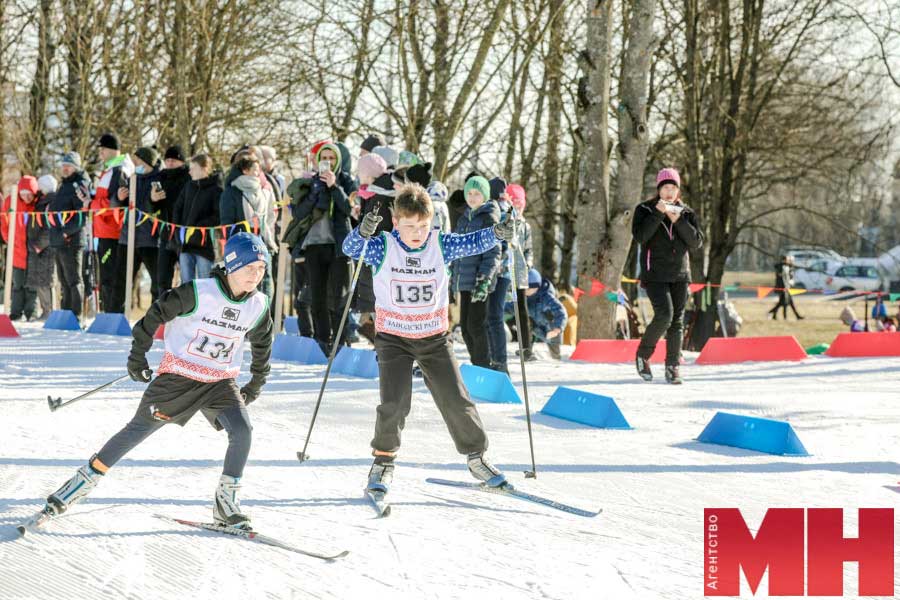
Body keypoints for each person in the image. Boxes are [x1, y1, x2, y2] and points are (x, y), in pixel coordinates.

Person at [29, 233, 273, 531]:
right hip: (178, 379)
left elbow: (263, 346)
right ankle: (76, 486)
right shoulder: (199, 292)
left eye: (261, 269)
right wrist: (137, 358)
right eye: (250, 268)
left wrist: (255, 385)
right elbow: (153, 316)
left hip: (219, 382)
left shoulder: (258, 304)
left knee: (243, 430)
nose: (256, 275)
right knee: (136, 431)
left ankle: (226, 505)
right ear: (233, 265)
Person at [342, 183, 517, 497]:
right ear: (396, 223)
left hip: (433, 337)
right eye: (409, 226)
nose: (417, 232)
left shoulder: (441, 244)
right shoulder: (383, 245)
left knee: (456, 399)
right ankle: (383, 462)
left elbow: (473, 241)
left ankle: (477, 458)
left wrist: (498, 233)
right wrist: (362, 231)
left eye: (423, 226)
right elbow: (350, 249)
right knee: (394, 403)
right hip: (393, 338)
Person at [631, 167, 703, 384]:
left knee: (677, 322)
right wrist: (659, 213)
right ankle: (643, 355)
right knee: (665, 315)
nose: (669, 192)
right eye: (665, 187)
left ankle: (673, 367)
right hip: (655, 274)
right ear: (659, 189)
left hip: (680, 274)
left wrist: (678, 220)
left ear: (678, 190)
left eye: (673, 188)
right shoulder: (644, 209)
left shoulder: (687, 212)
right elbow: (641, 236)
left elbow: (696, 242)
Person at [294, 142, 355, 353]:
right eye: (324, 158)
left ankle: (340, 342)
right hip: (314, 245)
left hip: (338, 245)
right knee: (317, 296)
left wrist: (334, 186)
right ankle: (322, 341)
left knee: (338, 296)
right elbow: (299, 213)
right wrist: (313, 194)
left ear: (337, 160)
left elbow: (349, 209)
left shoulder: (346, 180)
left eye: (332, 158)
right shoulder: (309, 181)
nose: (328, 162)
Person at [451, 176, 501, 368]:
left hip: (479, 282)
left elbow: (494, 252)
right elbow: (457, 249)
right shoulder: (464, 219)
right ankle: (478, 364)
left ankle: (484, 366)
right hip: (464, 280)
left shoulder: (488, 218)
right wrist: (453, 277)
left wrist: (484, 279)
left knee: (476, 326)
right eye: (469, 194)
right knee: (464, 329)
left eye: (477, 194)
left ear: (485, 196)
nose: (472, 197)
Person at [89, 132, 134, 313]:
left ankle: (112, 312)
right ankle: (108, 312)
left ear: (111, 150)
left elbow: (114, 204)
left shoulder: (119, 170)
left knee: (111, 275)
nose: (100, 153)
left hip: (112, 231)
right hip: (103, 230)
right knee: (106, 275)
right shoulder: (110, 169)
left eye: (102, 149)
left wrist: (91, 204)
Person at [120, 146, 163, 304]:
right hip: (128, 237)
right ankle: (122, 313)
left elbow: (152, 209)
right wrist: (119, 198)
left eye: (138, 161)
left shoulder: (158, 180)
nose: (135, 164)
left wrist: (152, 200)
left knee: (156, 281)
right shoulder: (132, 179)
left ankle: (155, 317)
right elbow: (123, 205)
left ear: (147, 162)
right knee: (123, 280)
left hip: (150, 239)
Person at [50, 153, 91, 319]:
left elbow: (82, 216)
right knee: (64, 281)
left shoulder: (80, 185)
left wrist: (67, 232)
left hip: (71, 240)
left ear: (76, 167)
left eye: (69, 165)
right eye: (64, 165)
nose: (65, 168)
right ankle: (66, 314)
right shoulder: (63, 185)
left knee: (74, 279)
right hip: (58, 240)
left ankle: (76, 314)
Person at [172, 154, 222, 282]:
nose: (190, 171)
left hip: (204, 246)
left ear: (204, 168)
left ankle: (205, 303)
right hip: (186, 245)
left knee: (205, 282)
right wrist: (177, 230)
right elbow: (177, 208)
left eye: (193, 168)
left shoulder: (216, 189)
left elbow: (218, 216)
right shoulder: (188, 187)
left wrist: (200, 227)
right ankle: (189, 303)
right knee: (186, 283)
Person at [153, 145, 191, 294]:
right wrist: (153, 199)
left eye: (173, 160)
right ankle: (163, 312)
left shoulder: (188, 177)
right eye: (167, 160)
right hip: (165, 233)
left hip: (184, 235)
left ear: (181, 162)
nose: (169, 163)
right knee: (162, 279)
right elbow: (152, 208)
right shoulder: (161, 177)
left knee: (186, 278)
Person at [1, 177, 39, 320]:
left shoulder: (37, 204)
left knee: (32, 286)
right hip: (16, 249)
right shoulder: (11, 202)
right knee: (18, 284)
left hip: (32, 250)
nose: (26, 197)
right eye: (23, 194)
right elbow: (4, 223)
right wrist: (8, 239)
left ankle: (31, 312)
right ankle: (16, 312)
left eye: (29, 194)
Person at [505, 183, 534, 360]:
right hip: (504, 271)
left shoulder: (525, 226)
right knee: (499, 308)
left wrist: (528, 264)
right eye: (514, 204)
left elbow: (529, 249)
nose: (517, 207)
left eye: (520, 204)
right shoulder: (504, 223)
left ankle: (526, 347)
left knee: (521, 309)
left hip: (520, 272)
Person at [512, 269, 567, 360]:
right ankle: (527, 350)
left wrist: (558, 328)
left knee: (555, 353)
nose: (525, 291)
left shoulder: (547, 297)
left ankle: (557, 358)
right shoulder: (525, 298)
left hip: (551, 330)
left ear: (536, 287)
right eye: (524, 289)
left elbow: (561, 312)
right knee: (526, 323)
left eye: (528, 289)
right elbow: (512, 307)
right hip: (536, 327)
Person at [27, 176, 57, 320]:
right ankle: (45, 310)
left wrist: (39, 244)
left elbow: (49, 227)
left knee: (45, 280)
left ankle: (48, 310)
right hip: (38, 247)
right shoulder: (41, 201)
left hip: (46, 248)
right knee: (39, 280)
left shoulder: (50, 203)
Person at [767, 255, 803, 320]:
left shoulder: (786, 266)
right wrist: (784, 287)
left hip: (786, 287)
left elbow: (788, 275)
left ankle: (775, 315)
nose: (788, 261)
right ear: (784, 260)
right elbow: (782, 279)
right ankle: (773, 313)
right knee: (783, 303)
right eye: (787, 260)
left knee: (787, 303)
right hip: (782, 288)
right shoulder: (781, 267)